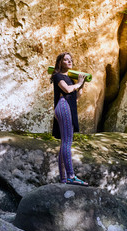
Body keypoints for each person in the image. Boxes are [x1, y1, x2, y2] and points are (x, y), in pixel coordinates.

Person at [51, 52, 88, 186]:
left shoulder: (71, 80)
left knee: (65, 143)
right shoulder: (58, 76)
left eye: (70, 60)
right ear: (60, 63)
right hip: (63, 106)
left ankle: (63, 178)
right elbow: (66, 90)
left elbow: (75, 97)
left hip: (68, 106)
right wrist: (78, 84)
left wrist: (81, 86)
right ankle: (71, 176)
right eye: (66, 60)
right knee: (67, 142)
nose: (69, 61)